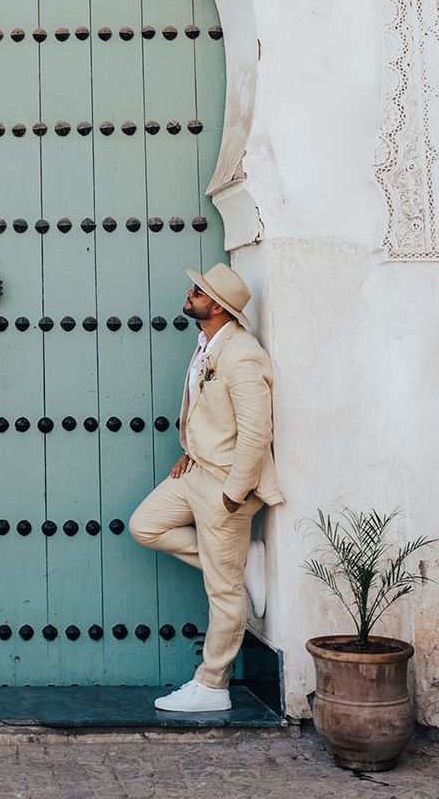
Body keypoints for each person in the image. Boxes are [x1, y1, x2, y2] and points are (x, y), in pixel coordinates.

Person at [129, 263, 283, 712]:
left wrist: (235, 492)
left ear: (216, 305)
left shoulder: (242, 354)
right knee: (146, 526)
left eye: (197, 291)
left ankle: (212, 684)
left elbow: (257, 431)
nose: (189, 293)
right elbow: (211, 415)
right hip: (197, 472)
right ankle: (244, 564)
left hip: (224, 487)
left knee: (223, 591)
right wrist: (192, 450)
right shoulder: (207, 344)